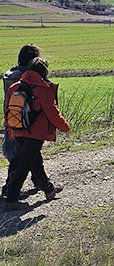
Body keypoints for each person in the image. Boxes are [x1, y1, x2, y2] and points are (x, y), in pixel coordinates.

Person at [3, 57, 68, 210]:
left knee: (35, 162)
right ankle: (11, 200)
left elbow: (7, 110)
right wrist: (65, 127)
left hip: (17, 130)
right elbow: (53, 113)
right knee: (25, 165)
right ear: (44, 71)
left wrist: (10, 128)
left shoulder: (14, 86)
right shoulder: (43, 88)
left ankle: (49, 190)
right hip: (35, 133)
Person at [2, 44, 42, 201]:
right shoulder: (27, 76)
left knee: (26, 154)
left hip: (11, 117)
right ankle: (10, 189)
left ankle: (41, 182)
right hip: (26, 120)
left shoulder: (11, 74)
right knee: (23, 156)